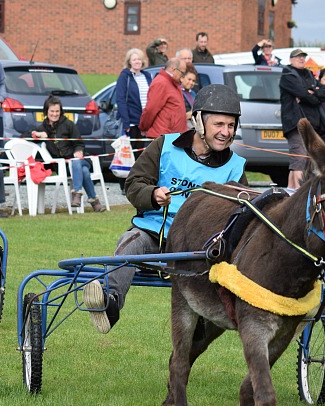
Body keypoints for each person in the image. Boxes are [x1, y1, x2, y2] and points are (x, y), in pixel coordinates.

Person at [83, 84, 247, 333]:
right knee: (130, 242)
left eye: (231, 126)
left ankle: (203, 321)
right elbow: (133, 184)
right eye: (219, 125)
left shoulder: (235, 167)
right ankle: (108, 301)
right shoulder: (165, 146)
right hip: (154, 234)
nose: (226, 132)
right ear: (199, 122)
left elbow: (243, 215)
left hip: (200, 247)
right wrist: (152, 194)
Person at [31, 95, 105, 212]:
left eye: (57, 111)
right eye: (52, 111)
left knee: (76, 162)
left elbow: (79, 143)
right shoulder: (42, 127)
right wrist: (37, 134)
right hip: (62, 166)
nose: (55, 114)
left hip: (80, 160)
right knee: (84, 172)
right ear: (46, 111)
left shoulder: (69, 124)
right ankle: (93, 200)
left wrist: (78, 151)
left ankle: (76, 193)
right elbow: (24, 137)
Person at [279, 48, 325, 189]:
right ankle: (299, 193)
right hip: (295, 124)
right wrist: (311, 94)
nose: (301, 59)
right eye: (298, 57)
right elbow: (304, 94)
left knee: (307, 161)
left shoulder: (309, 74)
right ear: (291, 60)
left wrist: (312, 93)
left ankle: (291, 191)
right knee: (299, 160)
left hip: (311, 124)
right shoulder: (287, 76)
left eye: (303, 57)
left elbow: (324, 92)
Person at [138, 58, 188, 139]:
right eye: (182, 72)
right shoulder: (161, 83)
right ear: (173, 69)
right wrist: (144, 127)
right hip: (164, 136)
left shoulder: (173, 84)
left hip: (172, 135)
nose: (182, 76)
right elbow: (151, 109)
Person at [115, 48, 153, 153]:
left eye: (139, 59)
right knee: (131, 153)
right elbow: (121, 99)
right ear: (129, 62)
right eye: (134, 59)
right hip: (131, 122)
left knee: (142, 152)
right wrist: (126, 123)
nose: (137, 62)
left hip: (145, 121)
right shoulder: (124, 76)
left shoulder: (147, 76)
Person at [180, 64, 198, 129]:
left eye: (193, 81)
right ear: (182, 78)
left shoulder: (193, 93)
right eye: (189, 79)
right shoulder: (178, 93)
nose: (191, 83)